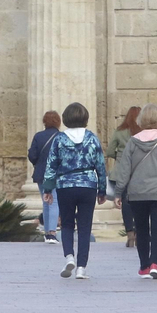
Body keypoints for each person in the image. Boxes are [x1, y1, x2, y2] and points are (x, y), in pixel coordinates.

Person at [113, 102, 157, 279]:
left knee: (141, 229)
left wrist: (119, 192)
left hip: (137, 192)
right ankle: (155, 264)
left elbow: (124, 169)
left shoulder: (132, 143)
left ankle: (144, 266)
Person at [41, 101, 107, 279]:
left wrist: (48, 188)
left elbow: (51, 165)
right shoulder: (92, 138)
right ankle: (81, 268)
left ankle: (69, 256)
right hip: (87, 185)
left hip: (65, 185)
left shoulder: (59, 139)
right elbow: (100, 165)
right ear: (85, 119)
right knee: (85, 227)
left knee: (67, 224)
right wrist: (102, 190)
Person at [107, 106, 142, 245]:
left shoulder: (119, 131)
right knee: (140, 204)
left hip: (121, 172)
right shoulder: (143, 133)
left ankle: (130, 235)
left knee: (126, 204)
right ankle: (140, 233)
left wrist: (119, 157)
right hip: (139, 172)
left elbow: (109, 151)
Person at [27, 110, 62, 243]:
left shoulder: (38, 136)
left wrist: (39, 163)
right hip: (56, 174)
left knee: (46, 202)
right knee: (54, 201)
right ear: (58, 122)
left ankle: (47, 231)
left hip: (41, 173)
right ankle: (52, 233)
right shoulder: (61, 137)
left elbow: (32, 155)